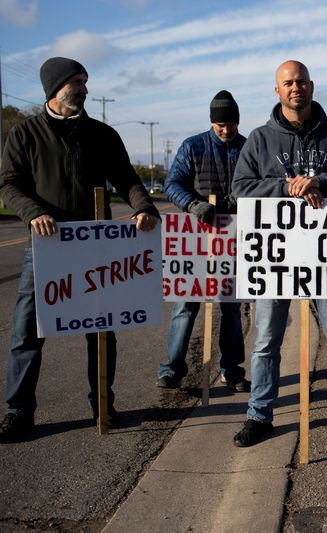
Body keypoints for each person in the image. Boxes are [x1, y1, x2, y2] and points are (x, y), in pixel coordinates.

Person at [0, 57, 160, 442]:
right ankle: (18, 411)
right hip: (47, 250)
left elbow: (126, 179)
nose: (84, 89)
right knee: (26, 333)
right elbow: (8, 184)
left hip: (96, 250)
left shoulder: (102, 135)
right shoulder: (25, 135)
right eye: (76, 82)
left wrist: (144, 207)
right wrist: (33, 212)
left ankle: (102, 404)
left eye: (86, 82)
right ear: (54, 88)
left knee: (102, 331)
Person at [231, 60, 327, 447]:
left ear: (312, 87)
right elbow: (240, 189)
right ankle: (259, 414)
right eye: (288, 83)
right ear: (277, 90)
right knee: (265, 340)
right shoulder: (260, 139)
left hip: (326, 258)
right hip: (275, 260)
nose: (296, 88)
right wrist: (286, 186)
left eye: (301, 82)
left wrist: (320, 181)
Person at [156, 90, 250, 393]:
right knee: (186, 304)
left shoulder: (247, 147)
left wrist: (244, 196)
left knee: (231, 308)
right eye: (220, 124)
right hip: (196, 235)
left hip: (234, 235)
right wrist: (192, 204)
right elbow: (172, 184)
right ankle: (172, 369)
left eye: (231, 124)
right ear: (212, 122)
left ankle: (232, 370)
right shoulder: (192, 146)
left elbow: (259, 183)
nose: (226, 130)